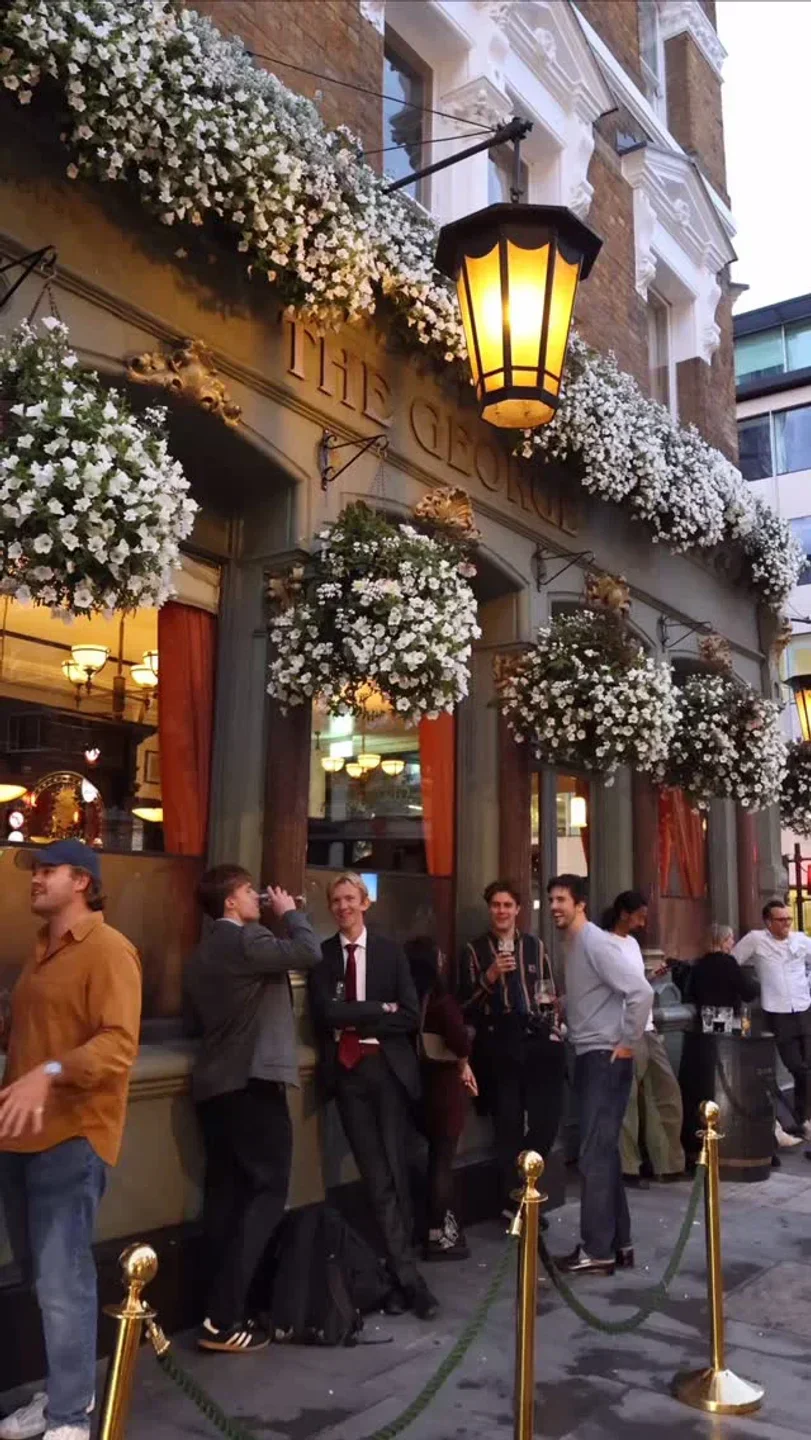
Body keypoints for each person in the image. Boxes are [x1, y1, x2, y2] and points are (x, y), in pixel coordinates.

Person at [0, 841, 141, 1440]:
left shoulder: (110, 951)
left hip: (74, 1135)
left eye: (46, 870)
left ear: (81, 881)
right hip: (20, 1137)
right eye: (34, 870)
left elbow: (118, 1045)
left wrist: (49, 1072)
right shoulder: (38, 954)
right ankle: (61, 1395)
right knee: (42, 1277)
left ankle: (70, 1417)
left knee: (64, 1281)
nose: (34, 880)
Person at [184, 865, 321, 1353]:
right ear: (228, 903)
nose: (256, 898)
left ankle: (214, 1308)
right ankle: (223, 1318)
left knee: (226, 1198)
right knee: (268, 1192)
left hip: (214, 1088)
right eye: (247, 892)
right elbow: (310, 952)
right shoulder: (247, 939)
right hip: (253, 1083)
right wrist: (292, 913)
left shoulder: (200, 956)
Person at [308, 873, 438, 1319]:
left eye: (350, 898)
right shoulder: (323, 957)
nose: (343, 906)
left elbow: (405, 1015)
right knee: (374, 1175)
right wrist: (372, 1011)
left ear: (365, 903)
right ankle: (404, 1278)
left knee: (395, 1173)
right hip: (347, 1075)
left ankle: (405, 1277)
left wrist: (357, 1018)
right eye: (336, 901)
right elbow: (326, 1013)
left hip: (387, 1071)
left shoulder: (389, 952)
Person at [548, 875, 653, 1276]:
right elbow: (599, 992)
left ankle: (596, 1250)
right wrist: (566, 1003)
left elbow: (641, 992)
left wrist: (626, 1041)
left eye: (562, 899)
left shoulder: (594, 941)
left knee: (593, 1155)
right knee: (604, 1153)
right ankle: (618, 1243)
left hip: (602, 1059)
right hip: (592, 1053)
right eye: (552, 899)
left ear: (581, 904)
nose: (555, 906)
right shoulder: (576, 945)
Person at [459, 880, 565, 1222]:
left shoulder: (535, 947)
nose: (502, 911)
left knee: (545, 1120)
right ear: (489, 910)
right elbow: (463, 1003)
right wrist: (490, 976)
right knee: (507, 1123)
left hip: (536, 1036)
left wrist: (554, 1025)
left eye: (507, 905)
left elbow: (549, 990)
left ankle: (529, 1182)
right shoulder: (474, 950)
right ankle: (515, 1201)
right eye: (496, 905)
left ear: (518, 910)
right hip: (498, 1038)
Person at [604, 892, 686, 1186]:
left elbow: (635, 984)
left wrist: (651, 977)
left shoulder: (634, 944)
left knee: (665, 1091)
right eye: (639, 913)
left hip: (648, 1026)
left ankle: (668, 1161)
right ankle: (628, 1167)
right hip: (624, 1026)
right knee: (627, 1101)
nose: (643, 920)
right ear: (624, 913)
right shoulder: (604, 944)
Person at [404, 936, 477, 1261]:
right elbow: (461, 1042)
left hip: (419, 1088)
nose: (445, 959)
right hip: (445, 1090)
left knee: (432, 1159)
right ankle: (439, 1234)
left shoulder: (411, 999)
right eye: (440, 955)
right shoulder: (442, 1002)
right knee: (442, 1163)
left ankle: (429, 1229)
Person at [734, 901, 811, 1139]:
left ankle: (804, 1119)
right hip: (777, 1011)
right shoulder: (756, 940)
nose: (787, 923)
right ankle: (801, 1119)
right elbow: (732, 961)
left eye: (789, 919)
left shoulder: (801, 940)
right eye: (781, 919)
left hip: (804, 1007)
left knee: (808, 1067)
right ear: (768, 922)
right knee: (796, 1065)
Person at [689, 924, 760, 1012]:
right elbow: (747, 993)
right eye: (731, 938)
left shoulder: (699, 964)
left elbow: (692, 992)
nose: (733, 942)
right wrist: (757, 986)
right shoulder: (729, 963)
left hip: (705, 1018)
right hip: (727, 1016)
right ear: (723, 941)